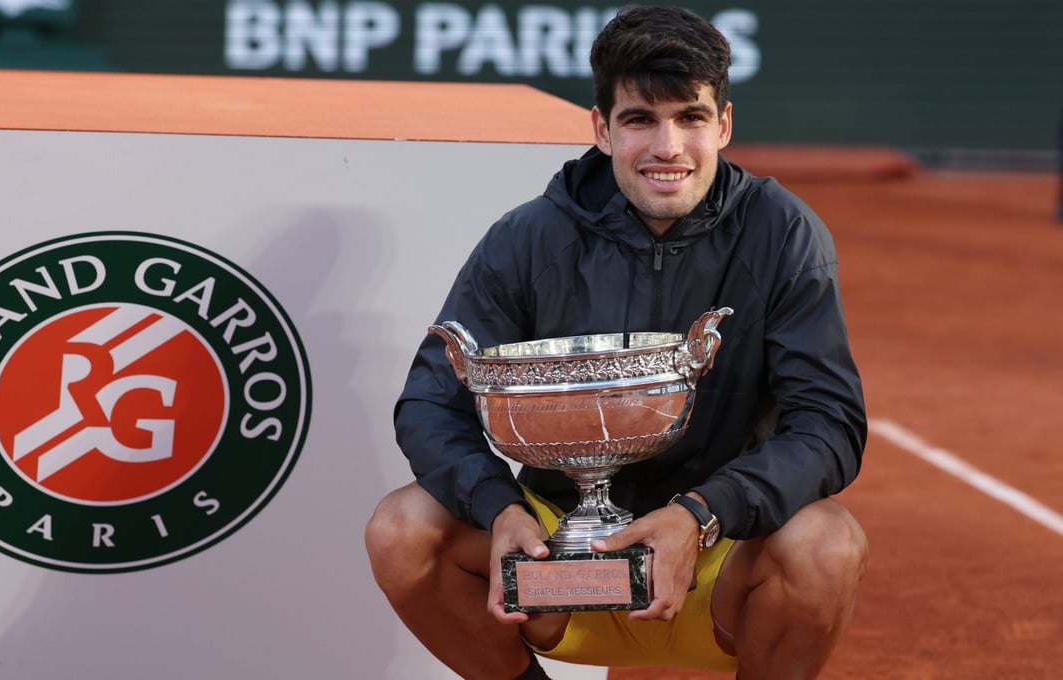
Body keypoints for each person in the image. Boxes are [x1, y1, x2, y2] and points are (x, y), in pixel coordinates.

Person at [365, 5, 869, 678]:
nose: (668, 147)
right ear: (602, 129)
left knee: (826, 543)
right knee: (403, 530)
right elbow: (430, 403)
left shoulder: (782, 234)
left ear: (723, 124)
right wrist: (500, 507)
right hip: (558, 566)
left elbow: (829, 422)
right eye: (639, 120)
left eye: (690, 117)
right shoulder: (529, 238)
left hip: (718, 566)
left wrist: (702, 513)